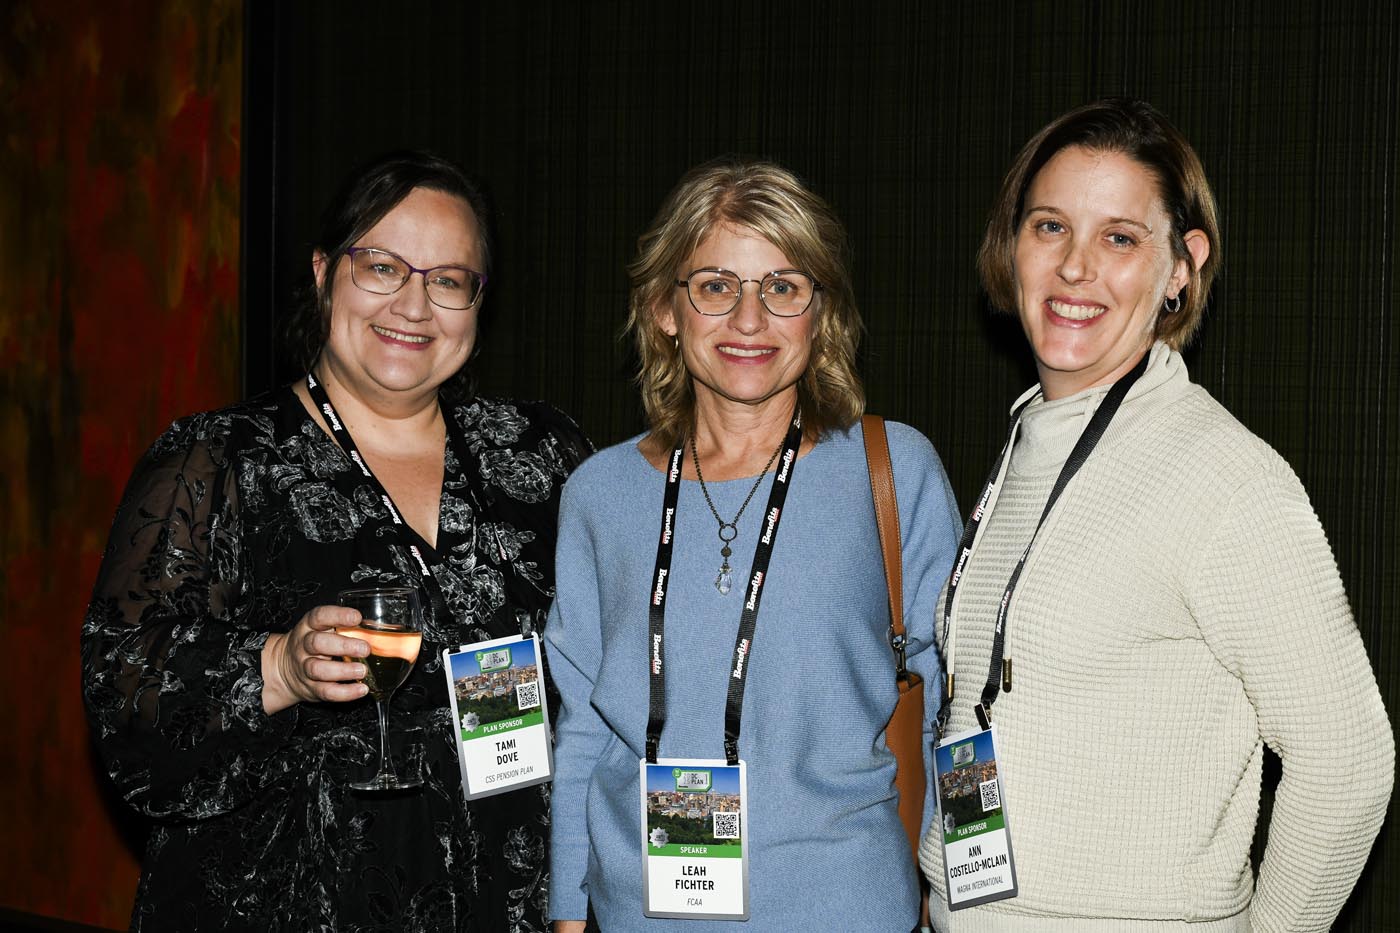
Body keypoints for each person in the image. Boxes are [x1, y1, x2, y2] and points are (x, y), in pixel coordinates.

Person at [81, 151, 591, 932]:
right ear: (325, 274)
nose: (414, 305)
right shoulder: (220, 460)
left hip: (508, 905)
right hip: (291, 906)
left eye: (449, 279)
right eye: (383, 267)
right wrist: (278, 667)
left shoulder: (542, 457)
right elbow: (126, 699)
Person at [918, 98, 1393, 931]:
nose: (1075, 267)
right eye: (1050, 226)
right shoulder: (1033, 439)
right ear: (1012, 244)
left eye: (1120, 238)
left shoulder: (1225, 477)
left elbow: (1349, 763)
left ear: (1181, 266)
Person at [544, 157, 962, 931]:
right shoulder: (599, 494)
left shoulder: (894, 471)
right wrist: (568, 909)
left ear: (819, 311)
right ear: (665, 309)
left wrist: (955, 888)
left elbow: (951, 701)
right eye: (715, 286)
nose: (748, 319)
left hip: (848, 910)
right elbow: (582, 727)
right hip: (640, 914)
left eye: (782, 287)